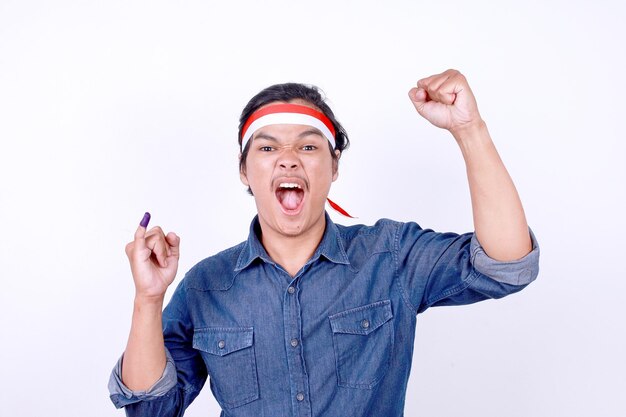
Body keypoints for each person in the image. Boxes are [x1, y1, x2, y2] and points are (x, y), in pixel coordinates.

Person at [108, 69, 540, 417]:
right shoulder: (206, 286)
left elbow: (507, 265)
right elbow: (150, 411)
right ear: (245, 171)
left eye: (309, 145)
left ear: (334, 167)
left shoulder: (390, 256)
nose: (289, 158)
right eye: (268, 147)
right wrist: (148, 299)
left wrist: (470, 129)